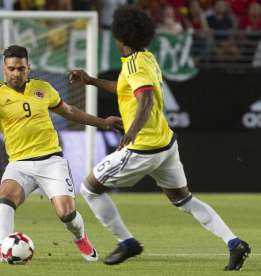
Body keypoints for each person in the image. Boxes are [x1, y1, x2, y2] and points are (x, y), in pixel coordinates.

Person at [68, 6, 251, 271]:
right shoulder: (146, 58)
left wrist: (133, 131)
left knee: (90, 190)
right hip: (165, 144)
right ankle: (235, 244)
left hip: (143, 148)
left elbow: (146, 97)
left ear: (121, 38)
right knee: (185, 201)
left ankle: (127, 242)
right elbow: (126, 87)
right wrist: (91, 80)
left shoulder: (133, 64)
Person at [0, 45, 123, 263]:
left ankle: (80, 237)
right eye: (11, 68)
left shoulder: (43, 88)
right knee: (6, 198)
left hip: (51, 161)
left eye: (21, 68)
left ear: (28, 68)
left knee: (67, 215)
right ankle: (1, 248)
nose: (16, 73)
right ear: (4, 70)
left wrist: (102, 122)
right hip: (19, 164)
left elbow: (70, 111)